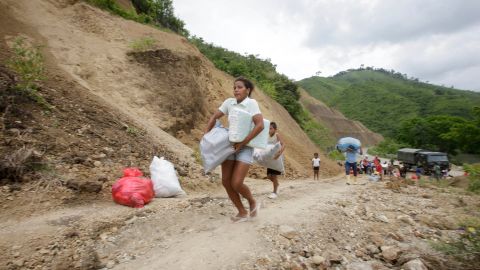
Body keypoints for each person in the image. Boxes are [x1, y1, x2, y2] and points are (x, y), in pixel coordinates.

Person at [204, 77, 264, 223]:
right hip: (229, 146)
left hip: (245, 147)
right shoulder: (228, 103)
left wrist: (243, 144)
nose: (236, 90)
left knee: (236, 183)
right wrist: (206, 135)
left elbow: (260, 125)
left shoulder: (251, 103)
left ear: (247, 90)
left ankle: (252, 202)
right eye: (234, 87)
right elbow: (214, 117)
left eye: (240, 87)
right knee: (226, 181)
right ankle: (242, 212)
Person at [266, 122, 285, 199]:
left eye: (271, 128)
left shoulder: (276, 135)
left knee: (273, 175)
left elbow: (284, 144)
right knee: (269, 176)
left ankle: (274, 192)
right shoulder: (267, 136)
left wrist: (279, 153)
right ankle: (276, 185)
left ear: (275, 129)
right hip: (270, 158)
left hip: (277, 158)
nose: (269, 130)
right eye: (268, 128)